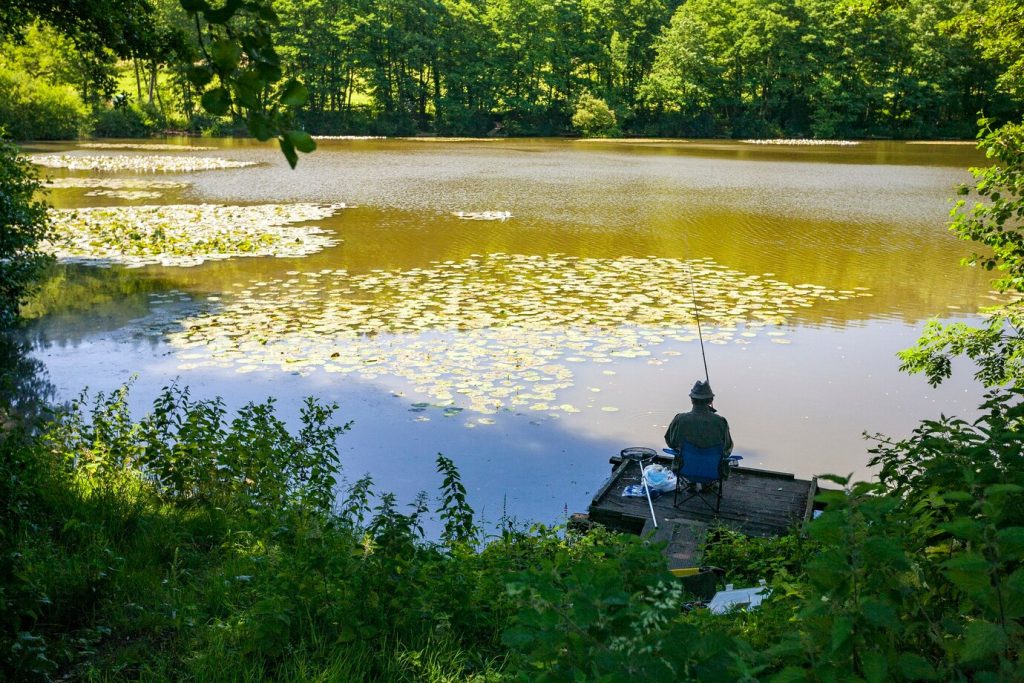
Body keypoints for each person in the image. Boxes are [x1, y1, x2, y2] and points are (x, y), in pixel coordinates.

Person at [664, 381, 733, 474]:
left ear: (692, 400)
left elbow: (670, 442)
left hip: (684, 469)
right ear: (711, 400)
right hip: (713, 472)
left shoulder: (680, 419)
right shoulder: (721, 421)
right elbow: (727, 448)